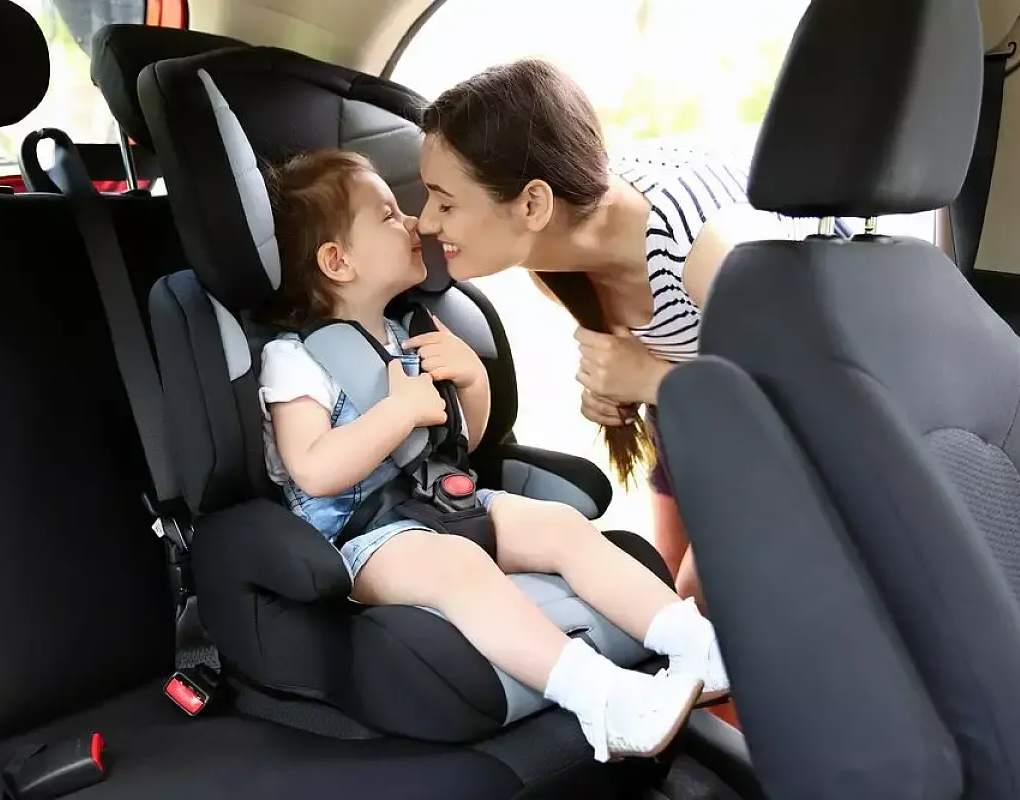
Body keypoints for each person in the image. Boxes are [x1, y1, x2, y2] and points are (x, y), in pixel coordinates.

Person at [254, 148, 729, 762]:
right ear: (337, 260)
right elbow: (313, 470)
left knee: (561, 525)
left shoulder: (412, 333)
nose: (415, 225)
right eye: (389, 215)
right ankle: (600, 699)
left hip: (449, 501)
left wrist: (472, 382)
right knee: (460, 569)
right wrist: (397, 410)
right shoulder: (295, 359)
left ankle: (694, 641)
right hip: (368, 540)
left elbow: (462, 444)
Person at [417, 57, 803, 607]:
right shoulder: (553, 254)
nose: (427, 222)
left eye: (446, 201)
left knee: (698, 605)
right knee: (661, 584)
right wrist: (628, 384)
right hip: (704, 421)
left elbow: (810, 404)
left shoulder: (704, 249)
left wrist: (651, 378)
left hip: (791, 441)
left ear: (532, 202)